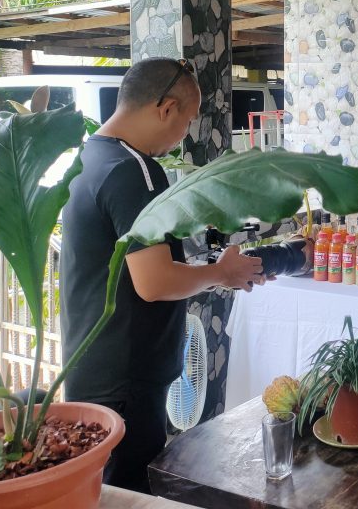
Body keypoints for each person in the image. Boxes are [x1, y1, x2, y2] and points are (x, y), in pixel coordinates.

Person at [60, 58, 267, 493]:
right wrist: (222, 272)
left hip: (94, 368)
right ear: (165, 108)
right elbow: (153, 282)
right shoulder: (132, 171)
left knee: (104, 492)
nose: (183, 134)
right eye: (186, 121)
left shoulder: (91, 156)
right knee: (129, 492)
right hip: (127, 378)